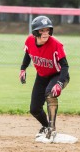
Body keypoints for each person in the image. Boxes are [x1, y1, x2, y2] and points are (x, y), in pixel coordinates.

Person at [19, 15, 70, 143]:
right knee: (34, 109)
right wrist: (23, 69)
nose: (45, 33)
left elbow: (65, 66)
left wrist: (59, 83)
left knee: (50, 93)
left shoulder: (56, 45)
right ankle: (46, 126)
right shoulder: (30, 41)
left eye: (47, 30)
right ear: (35, 32)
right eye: (42, 30)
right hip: (42, 76)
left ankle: (52, 129)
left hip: (58, 74)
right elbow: (28, 54)